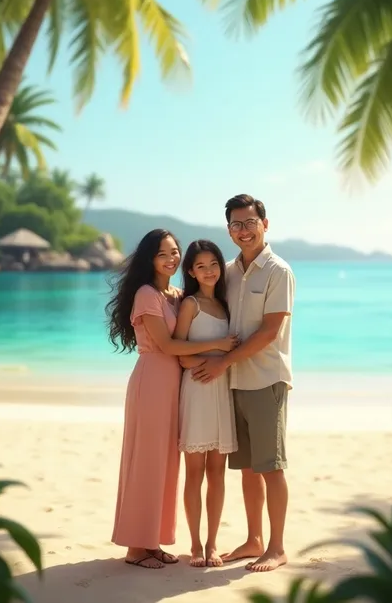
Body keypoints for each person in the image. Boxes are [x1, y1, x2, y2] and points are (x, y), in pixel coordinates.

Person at [106, 229, 238, 570]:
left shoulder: (176, 295)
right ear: (151, 259)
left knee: (167, 464)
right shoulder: (147, 295)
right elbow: (167, 346)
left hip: (176, 385)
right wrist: (221, 347)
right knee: (147, 462)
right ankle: (136, 548)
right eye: (163, 254)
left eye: (175, 252)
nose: (171, 259)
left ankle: (152, 541)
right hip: (152, 380)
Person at [182, 195, 295, 572]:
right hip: (231, 384)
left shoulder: (278, 271)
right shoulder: (227, 271)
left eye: (250, 223)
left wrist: (222, 362)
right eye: (236, 225)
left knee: (271, 466)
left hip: (266, 379)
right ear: (228, 230)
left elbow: (268, 332)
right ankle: (253, 539)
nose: (244, 231)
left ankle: (276, 547)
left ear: (265, 224)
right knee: (247, 467)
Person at [175, 240, 238, 568]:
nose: (209, 270)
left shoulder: (228, 305)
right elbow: (180, 355)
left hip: (221, 391)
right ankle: (196, 544)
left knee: (217, 473)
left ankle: (213, 545)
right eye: (201, 266)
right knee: (194, 473)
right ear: (190, 271)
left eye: (214, 263)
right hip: (198, 391)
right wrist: (215, 348)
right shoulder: (190, 304)